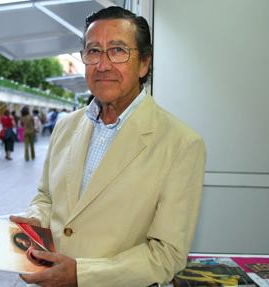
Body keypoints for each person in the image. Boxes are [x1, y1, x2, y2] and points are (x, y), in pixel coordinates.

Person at [10, 6, 206, 287]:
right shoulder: (66, 126)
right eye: (93, 51)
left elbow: (166, 255)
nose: (103, 65)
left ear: (144, 63)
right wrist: (35, 222)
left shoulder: (181, 144)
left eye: (117, 51)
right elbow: (45, 197)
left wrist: (81, 274)